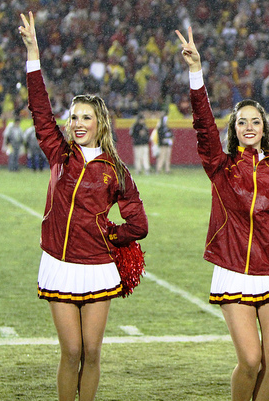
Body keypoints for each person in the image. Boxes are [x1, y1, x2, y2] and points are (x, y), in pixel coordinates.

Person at [176, 28, 269, 401]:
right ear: (235, 131)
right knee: (251, 360)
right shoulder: (220, 167)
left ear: (264, 129)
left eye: (255, 122)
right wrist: (197, 74)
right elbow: (204, 125)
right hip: (233, 271)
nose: (249, 127)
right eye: (242, 122)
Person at [19, 12, 148, 401]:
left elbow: (138, 222)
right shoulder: (60, 154)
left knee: (91, 352)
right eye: (73, 116)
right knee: (71, 350)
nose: (77, 122)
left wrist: (112, 235)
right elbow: (41, 113)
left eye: (85, 117)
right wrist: (33, 55)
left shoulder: (115, 169)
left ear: (99, 124)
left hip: (97, 265)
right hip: (59, 263)